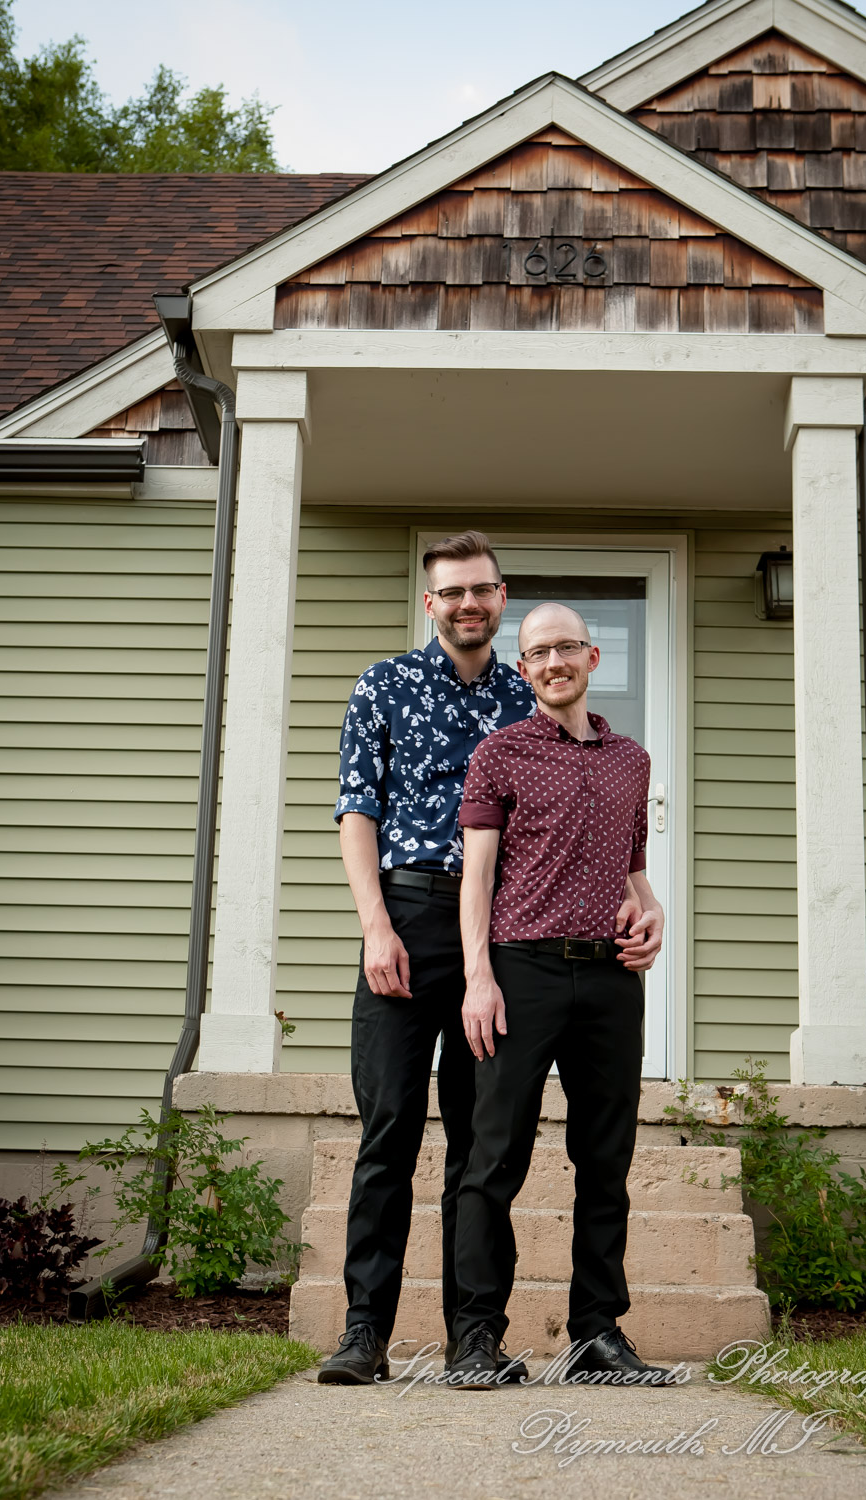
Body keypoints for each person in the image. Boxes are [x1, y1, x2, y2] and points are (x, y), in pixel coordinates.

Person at [316, 531, 536, 1384]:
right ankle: (363, 1332)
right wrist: (375, 924)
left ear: (501, 596)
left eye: (480, 590)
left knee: (484, 1148)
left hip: (500, 937)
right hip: (404, 918)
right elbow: (355, 810)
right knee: (388, 1136)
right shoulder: (383, 685)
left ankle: (474, 1338)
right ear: (430, 602)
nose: (468, 604)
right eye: (452, 592)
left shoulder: (527, 703)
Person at [448, 601, 669, 1387]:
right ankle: (475, 1338)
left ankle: (595, 1336)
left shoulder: (631, 760)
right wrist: (478, 977)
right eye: (536, 653)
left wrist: (652, 910)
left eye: (564, 648)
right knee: (492, 1159)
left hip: (611, 980)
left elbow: (630, 865)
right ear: (524, 669)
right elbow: (476, 878)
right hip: (521, 972)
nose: (551, 663)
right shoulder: (499, 755)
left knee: (604, 1160)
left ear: (592, 657)